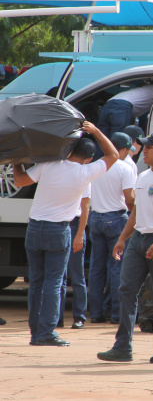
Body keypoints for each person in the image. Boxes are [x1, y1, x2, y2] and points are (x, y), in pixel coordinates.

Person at [13, 122, 118, 346]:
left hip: (34, 228)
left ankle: (35, 332)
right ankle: (46, 333)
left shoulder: (50, 164)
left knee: (37, 282)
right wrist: (97, 131)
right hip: (58, 230)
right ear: (88, 158)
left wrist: (16, 161)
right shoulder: (85, 173)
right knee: (53, 281)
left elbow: (20, 181)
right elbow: (113, 155)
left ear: (69, 150)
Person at [97, 133, 153, 362]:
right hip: (138, 240)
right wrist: (122, 238)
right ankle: (122, 347)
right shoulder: (144, 175)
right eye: (144, 147)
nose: (144, 151)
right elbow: (136, 211)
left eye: (150, 147)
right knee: (126, 291)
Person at [88, 132, 136, 325]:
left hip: (96, 217)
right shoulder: (124, 168)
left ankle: (96, 313)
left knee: (96, 268)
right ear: (122, 149)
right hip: (116, 219)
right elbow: (129, 199)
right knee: (117, 268)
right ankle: (117, 314)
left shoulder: (97, 165)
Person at [59, 185, 91, 330]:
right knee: (60, 277)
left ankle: (79, 317)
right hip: (60, 223)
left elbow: (85, 208)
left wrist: (79, 235)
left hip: (75, 224)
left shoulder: (84, 177)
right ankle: (57, 317)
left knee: (77, 275)